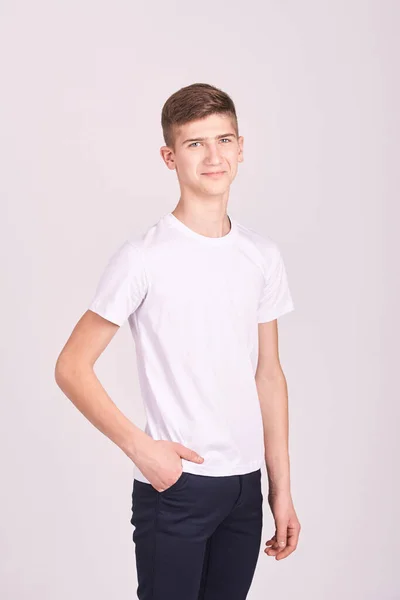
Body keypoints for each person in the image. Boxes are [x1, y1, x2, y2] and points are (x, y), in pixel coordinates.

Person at [55, 82, 301, 600]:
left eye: (224, 140)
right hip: (178, 487)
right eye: (195, 144)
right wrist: (142, 450)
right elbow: (72, 366)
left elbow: (269, 375)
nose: (214, 156)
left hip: (245, 488)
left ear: (241, 147)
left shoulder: (261, 255)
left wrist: (281, 492)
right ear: (170, 157)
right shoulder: (144, 257)